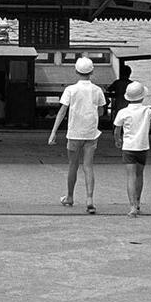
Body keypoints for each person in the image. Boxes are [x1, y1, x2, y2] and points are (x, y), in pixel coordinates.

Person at [48, 57, 106, 214]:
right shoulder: (97, 90)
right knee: (88, 166)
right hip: (91, 133)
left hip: (74, 132)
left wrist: (53, 132)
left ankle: (70, 196)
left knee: (73, 165)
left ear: (76, 71)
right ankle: (89, 199)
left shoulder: (70, 90)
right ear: (92, 71)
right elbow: (101, 111)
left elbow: (62, 111)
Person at [113, 81, 151, 217]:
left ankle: (132, 206)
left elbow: (117, 130)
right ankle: (139, 202)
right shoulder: (147, 110)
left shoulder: (123, 112)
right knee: (140, 175)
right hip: (142, 147)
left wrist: (118, 140)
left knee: (130, 176)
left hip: (128, 147)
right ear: (142, 96)